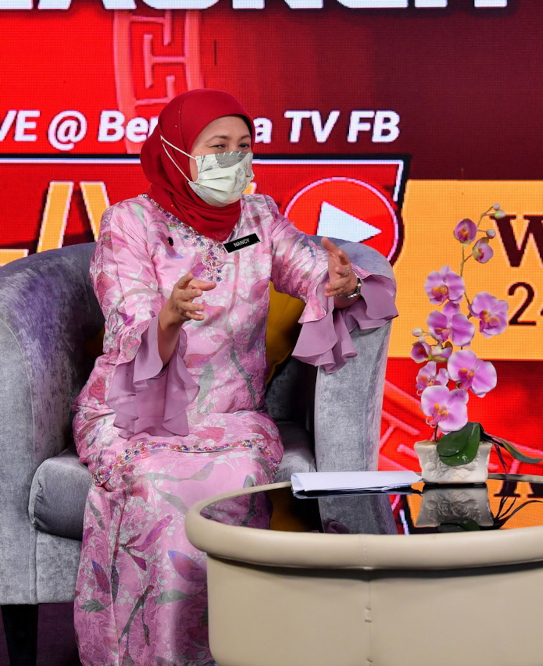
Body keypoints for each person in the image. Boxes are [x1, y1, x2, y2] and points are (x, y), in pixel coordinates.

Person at [72, 89, 397, 665]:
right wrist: (168, 313)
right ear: (175, 150)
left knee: (235, 477)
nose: (234, 160)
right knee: (154, 489)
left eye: (243, 147)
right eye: (216, 146)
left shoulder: (258, 218)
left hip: (228, 418)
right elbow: (126, 315)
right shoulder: (130, 222)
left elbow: (305, 263)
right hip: (134, 415)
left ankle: (225, 654)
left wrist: (338, 282)